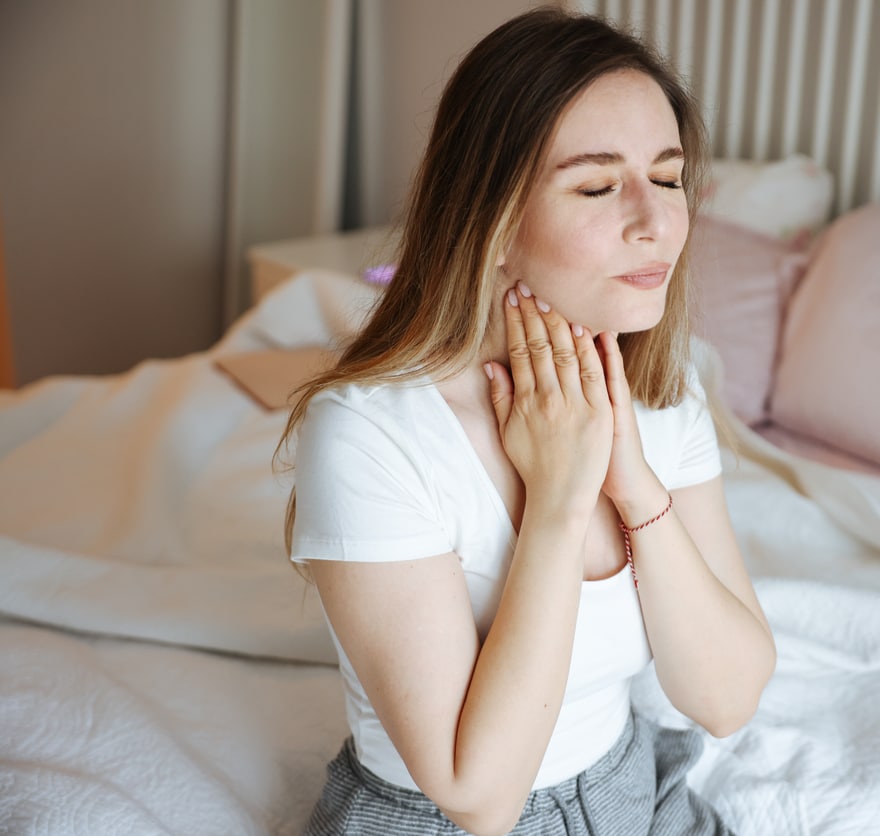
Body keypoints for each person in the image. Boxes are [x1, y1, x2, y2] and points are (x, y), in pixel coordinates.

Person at [278, 7, 776, 835]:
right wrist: (559, 498)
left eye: (667, 176)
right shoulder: (368, 433)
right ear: (492, 221)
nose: (657, 222)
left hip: (633, 790)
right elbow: (477, 796)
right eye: (594, 185)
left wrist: (630, 477)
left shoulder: (662, 388)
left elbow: (725, 701)